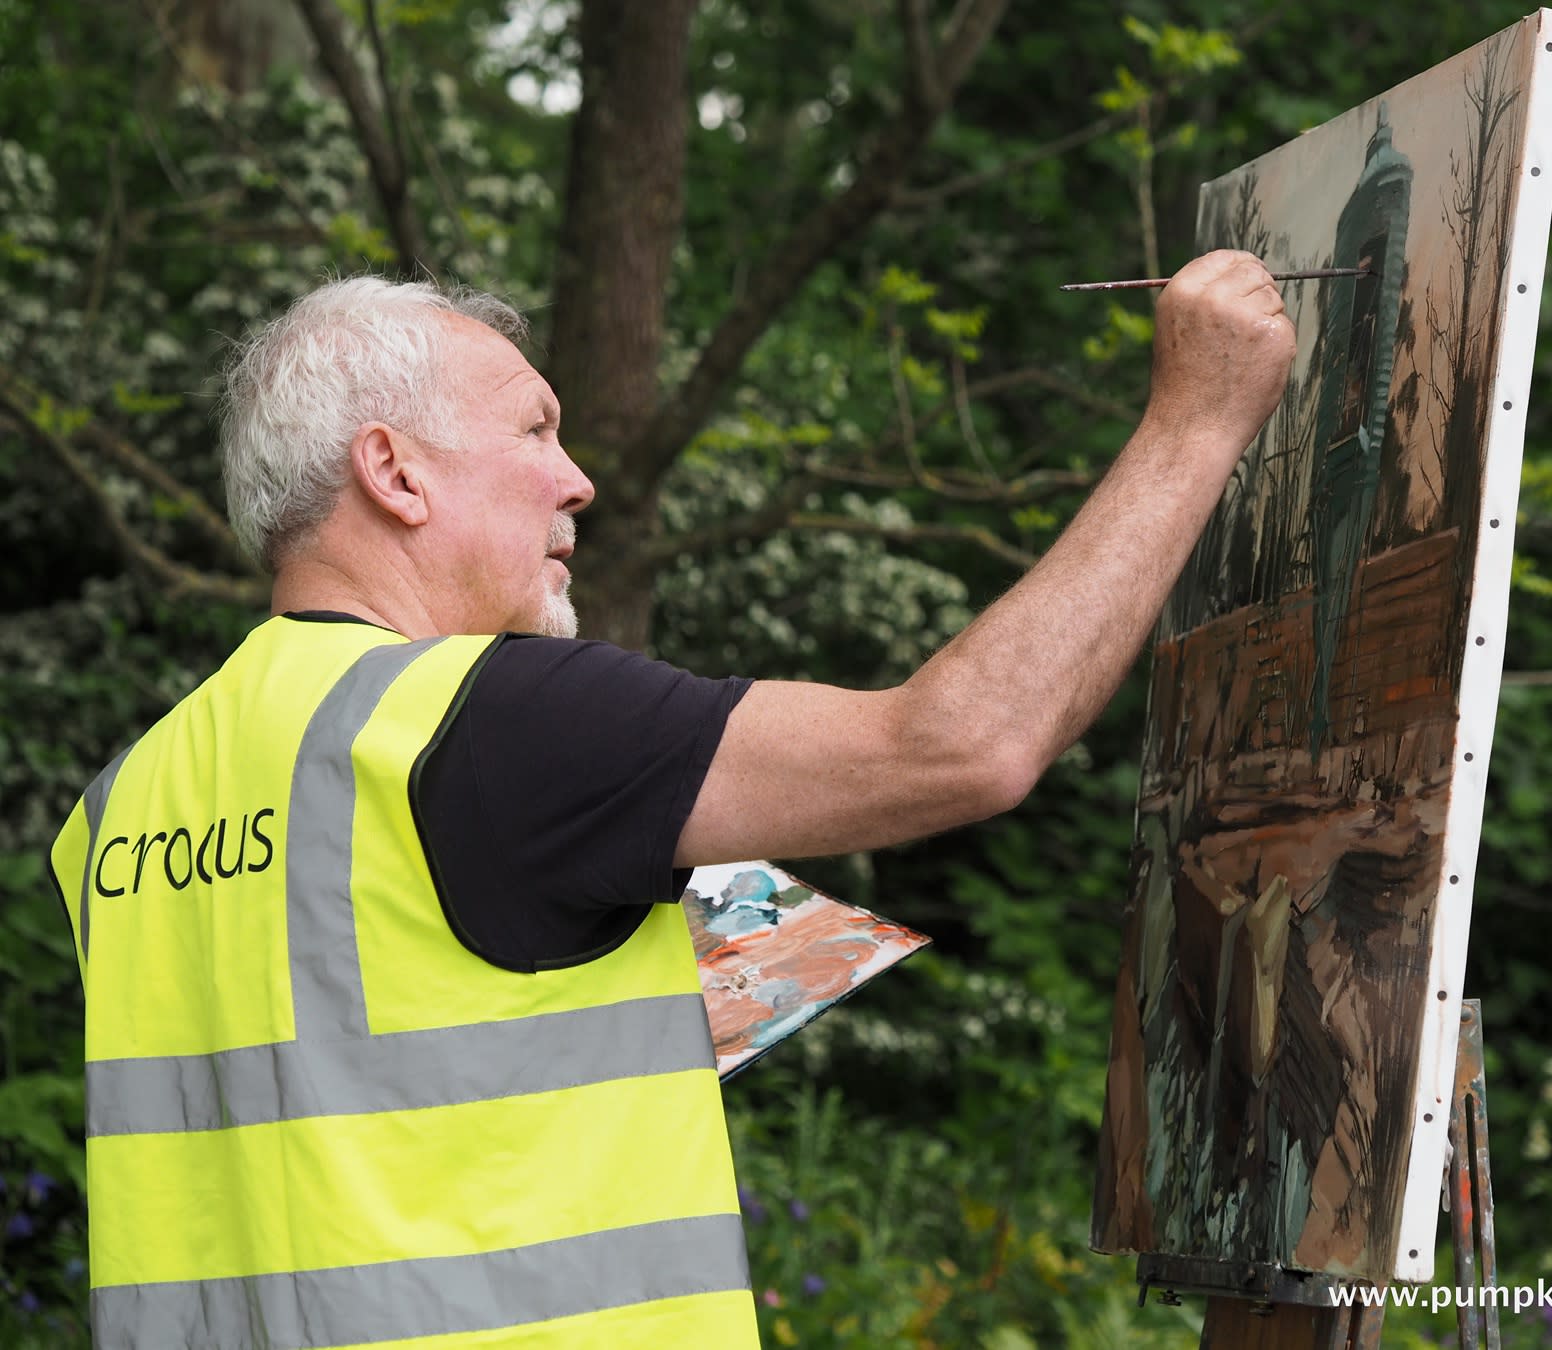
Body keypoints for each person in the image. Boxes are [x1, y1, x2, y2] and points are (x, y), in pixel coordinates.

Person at [48, 252, 1294, 1350]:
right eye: (536, 432)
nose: (577, 479)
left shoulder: (122, 807)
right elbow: (967, 743)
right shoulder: (495, 718)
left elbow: (353, 1085)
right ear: (395, 473)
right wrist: (1194, 424)